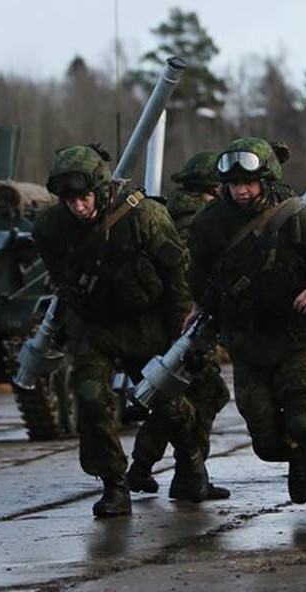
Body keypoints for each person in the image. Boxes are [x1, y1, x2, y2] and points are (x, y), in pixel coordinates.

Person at [31, 144, 220, 518]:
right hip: (95, 326)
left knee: (170, 402)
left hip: (147, 322)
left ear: (100, 189)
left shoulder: (144, 216)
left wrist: (182, 336)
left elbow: (178, 277)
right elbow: (58, 275)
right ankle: (114, 485)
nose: (78, 207)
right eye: (69, 200)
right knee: (90, 398)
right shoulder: (51, 227)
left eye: (84, 197)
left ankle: (192, 464)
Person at [188, 137, 306, 525]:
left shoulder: (295, 216)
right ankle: (300, 458)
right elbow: (198, 275)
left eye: (249, 183)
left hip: (300, 337)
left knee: (300, 417)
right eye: (233, 185)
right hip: (248, 341)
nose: (242, 191)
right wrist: (199, 309)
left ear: (265, 179)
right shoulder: (210, 225)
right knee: (264, 437)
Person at [126, 150, 231, 501]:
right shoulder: (198, 219)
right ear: (212, 189)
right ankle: (187, 473)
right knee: (205, 394)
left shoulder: (167, 210)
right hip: (184, 324)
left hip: (161, 323)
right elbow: (189, 275)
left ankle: (145, 469)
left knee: (172, 401)